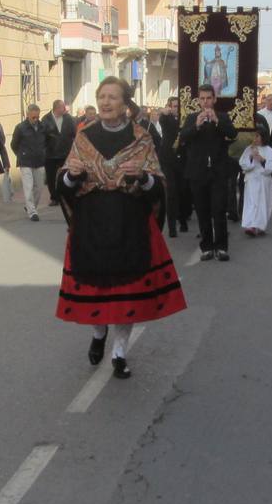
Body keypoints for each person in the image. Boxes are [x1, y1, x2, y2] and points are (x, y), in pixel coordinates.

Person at [56, 76, 186, 379]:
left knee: (126, 293)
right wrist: (72, 175)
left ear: (125, 104)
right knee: (95, 288)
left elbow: (158, 185)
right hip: (91, 223)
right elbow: (64, 184)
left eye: (112, 97)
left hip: (129, 224)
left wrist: (142, 177)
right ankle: (99, 333)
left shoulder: (142, 138)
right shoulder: (83, 137)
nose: (105, 102)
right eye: (102, 96)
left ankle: (119, 353)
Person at [178, 84, 238, 262]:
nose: (205, 102)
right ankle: (206, 247)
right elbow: (183, 139)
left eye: (208, 98)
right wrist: (196, 125)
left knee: (219, 209)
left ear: (214, 99)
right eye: (202, 99)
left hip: (218, 171)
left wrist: (218, 122)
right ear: (198, 101)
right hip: (197, 172)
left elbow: (233, 134)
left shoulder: (223, 117)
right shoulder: (191, 118)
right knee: (202, 210)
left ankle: (221, 247)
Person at [154, 97, 189, 239]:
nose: (176, 108)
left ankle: (182, 219)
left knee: (183, 191)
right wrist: (164, 112)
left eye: (177, 106)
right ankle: (172, 226)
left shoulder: (186, 119)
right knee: (171, 192)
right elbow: (161, 118)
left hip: (182, 159)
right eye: (174, 106)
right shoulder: (166, 119)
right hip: (167, 159)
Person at [11, 104, 49, 221]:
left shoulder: (43, 127)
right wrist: (21, 154)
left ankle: (31, 207)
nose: (36, 119)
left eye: (37, 117)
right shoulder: (21, 128)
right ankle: (32, 212)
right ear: (28, 115)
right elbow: (14, 144)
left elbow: (47, 141)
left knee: (39, 187)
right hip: (26, 161)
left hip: (39, 160)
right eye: (33, 117)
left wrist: (44, 152)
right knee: (28, 186)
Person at [238, 128, 272, 237]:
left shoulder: (269, 150)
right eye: (254, 136)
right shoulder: (249, 149)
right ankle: (251, 225)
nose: (255, 139)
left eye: (257, 136)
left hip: (263, 180)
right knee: (252, 202)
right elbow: (243, 163)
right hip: (252, 180)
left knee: (263, 203)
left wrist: (261, 159)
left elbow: (271, 167)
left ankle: (260, 226)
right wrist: (250, 157)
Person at [43, 100, 76, 208]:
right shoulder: (46, 119)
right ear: (56, 108)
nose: (65, 109)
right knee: (51, 177)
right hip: (50, 154)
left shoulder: (68, 119)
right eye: (63, 107)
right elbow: (42, 137)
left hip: (65, 153)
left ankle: (65, 196)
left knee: (66, 174)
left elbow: (74, 134)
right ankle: (54, 197)